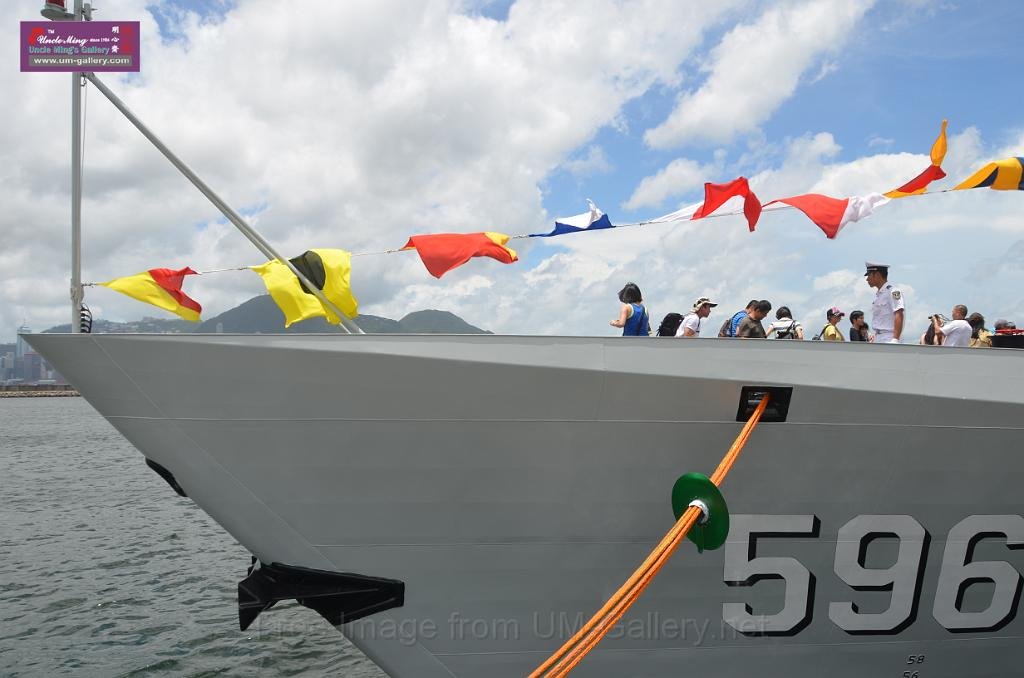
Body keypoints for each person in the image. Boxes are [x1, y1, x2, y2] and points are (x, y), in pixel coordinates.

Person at [865, 262, 905, 343]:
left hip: (889, 337)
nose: (867, 279)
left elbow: (899, 313)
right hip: (878, 337)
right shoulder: (879, 295)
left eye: (869, 275)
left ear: (877, 275)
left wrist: (895, 339)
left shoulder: (893, 291)